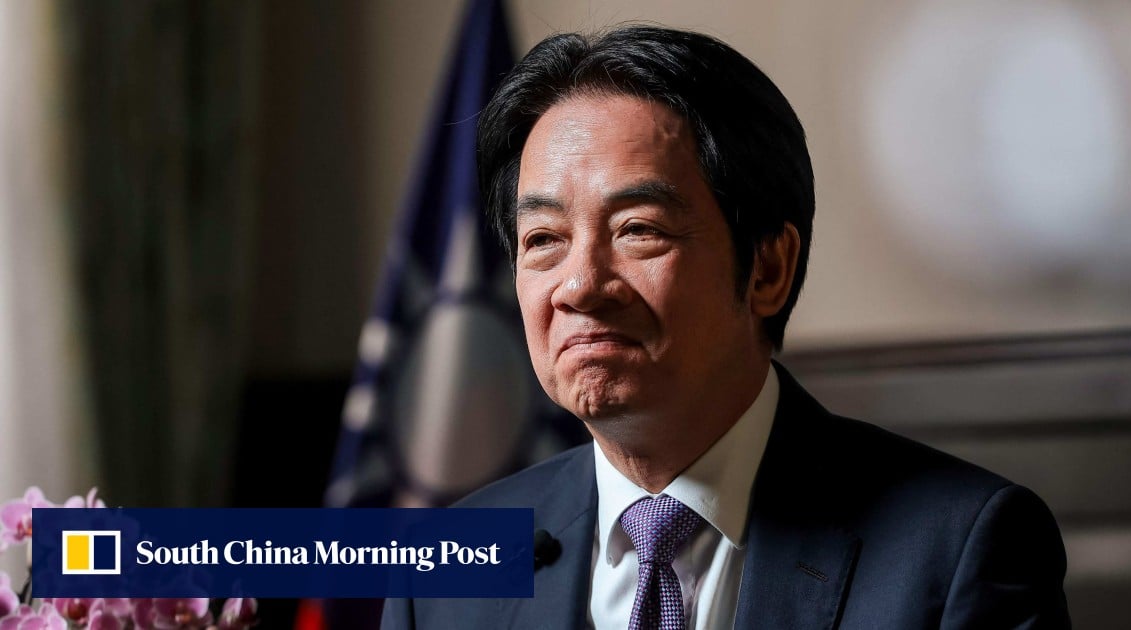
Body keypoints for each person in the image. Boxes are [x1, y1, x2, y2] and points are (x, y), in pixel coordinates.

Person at [382, 25, 1070, 629]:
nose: (581, 285)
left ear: (768, 268)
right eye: (543, 240)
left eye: (638, 229)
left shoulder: (960, 551)